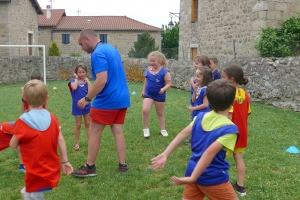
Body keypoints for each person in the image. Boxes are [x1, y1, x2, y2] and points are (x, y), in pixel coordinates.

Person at [152, 79, 239, 200]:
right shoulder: (230, 129)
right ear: (233, 102)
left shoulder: (200, 117)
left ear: (208, 99)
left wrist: (166, 154)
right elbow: (209, 152)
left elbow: (182, 134)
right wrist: (193, 178)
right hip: (213, 177)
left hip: (192, 170)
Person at [72, 29, 130, 177]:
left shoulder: (97, 53)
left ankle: (89, 167)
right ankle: (123, 165)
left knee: (94, 132)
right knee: (118, 131)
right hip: (122, 98)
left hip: (107, 100)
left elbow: (101, 80)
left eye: (81, 44)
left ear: (87, 39)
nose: (81, 48)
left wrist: (87, 99)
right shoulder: (111, 48)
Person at [10, 79, 73, 199]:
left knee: (32, 194)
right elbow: (61, 140)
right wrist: (65, 161)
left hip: (34, 172)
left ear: (25, 99)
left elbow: (13, 144)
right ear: (47, 98)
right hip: (50, 169)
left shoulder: (23, 121)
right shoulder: (52, 118)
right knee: (28, 193)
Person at [222, 64, 251, 196]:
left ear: (231, 79)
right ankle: (240, 187)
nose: (222, 80)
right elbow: (247, 114)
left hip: (230, 132)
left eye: (224, 77)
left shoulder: (228, 94)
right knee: (238, 157)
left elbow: (229, 115)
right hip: (242, 132)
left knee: (219, 158)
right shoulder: (245, 94)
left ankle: (218, 184)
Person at [141, 51, 172, 138]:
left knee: (160, 113)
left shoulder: (165, 72)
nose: (152, 63)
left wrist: (163, 89)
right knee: (145, 110)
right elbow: (146, 81)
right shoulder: (148, 70)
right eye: (151, 61)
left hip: (159, 95)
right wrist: (143, 90)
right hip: (148, 94)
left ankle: (163, 129)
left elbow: (169, 83)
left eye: (153, 61)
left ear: (159, 61)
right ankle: (146, 129)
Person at [185, 55, 211, 144]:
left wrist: (193, 108)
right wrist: (195, 91)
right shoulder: (199, 87)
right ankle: (194, 140)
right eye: (196, 76)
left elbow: (205, 104)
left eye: (198, 77)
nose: (196, 78)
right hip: (197, 112)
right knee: (195, 125)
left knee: (201, 127)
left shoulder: (205, 90)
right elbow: (193, 100)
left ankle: (202, 141)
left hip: (202, 113)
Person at [68, 63, 92, 151]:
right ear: (76, 73)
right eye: (79, 72)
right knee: (78, 125)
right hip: (77, 107)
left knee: (88, 124)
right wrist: (76, 79)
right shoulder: (73, 80)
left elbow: (91, 92)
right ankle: (77, 143)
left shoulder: (86, 82)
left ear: (86, 73)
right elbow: (74, 88)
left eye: (83, 72)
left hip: (86, 106)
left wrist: (88, 82)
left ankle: (90, 141)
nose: (81, 74)